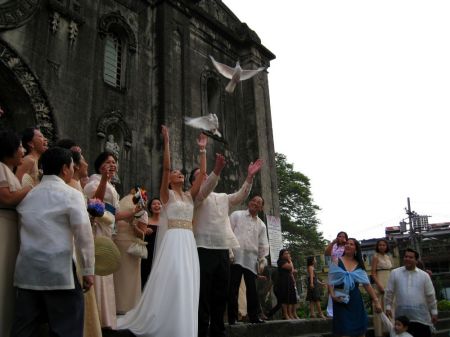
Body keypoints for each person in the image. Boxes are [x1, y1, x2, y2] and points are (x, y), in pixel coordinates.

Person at [117, 125, 208, 337]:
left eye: (181, 173)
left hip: (188, 241)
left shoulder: (188, 196)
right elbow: (166, 168)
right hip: (174, 239)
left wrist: (202, 150)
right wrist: (167, 142)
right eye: (176, 173)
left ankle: (183, 324)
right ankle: (166, 320)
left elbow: (203, 174)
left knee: (187, 279)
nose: (179, 174)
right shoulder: (166, 195)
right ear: (169, 180)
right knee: (174, 277)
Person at [11, 147, 95, 337]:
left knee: (24, 329)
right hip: (59, 271)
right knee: (66, 328)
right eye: (72, 167)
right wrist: (89, 270)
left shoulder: (28, 196)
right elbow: (83, 234)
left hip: (27, 270)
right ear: (65, 169)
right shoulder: (72, 195)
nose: (73, 170)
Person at [190, 153, 263, 337]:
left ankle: (218, 329)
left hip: (222, 249)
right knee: (203, 293)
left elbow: (240, 196)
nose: (205, 176)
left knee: (220, 293)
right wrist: (216, 170)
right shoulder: (196, 196)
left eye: (205, 173)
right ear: (194, 181)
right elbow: (206, 188)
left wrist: (249, 178)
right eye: (201, 174)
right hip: (203, 248)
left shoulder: (222, 197)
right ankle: (202, 330)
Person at [84, 151, 143, 329]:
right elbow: (95, 204)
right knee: (97, 270)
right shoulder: (92, 183)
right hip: (96, 230)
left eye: (115, 162)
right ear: (100, 165)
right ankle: (93, 318)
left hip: (108, 231)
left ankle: (105, 318)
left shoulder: (112, 187)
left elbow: (115, 214)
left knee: (106, 272)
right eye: (109, 162)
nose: (113, 165)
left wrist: (134, 212)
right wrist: (103, 179)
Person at [61, 142, 103, 337]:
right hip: (75, 244)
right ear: (75, 165)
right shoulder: (71, 187)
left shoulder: (76, 184)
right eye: (83, 159)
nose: (86, 162)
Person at [0, 130, 32, 336]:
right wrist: (29, 189)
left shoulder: (9, 171)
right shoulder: (1, 168)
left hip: (12, 229)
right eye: (20, 146)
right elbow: (7, 199)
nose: (22, 151)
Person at [228, 195, 270, 325]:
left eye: (259, 203)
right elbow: (228, 231)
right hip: (235, 257)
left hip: (251, 260)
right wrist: (229, 250)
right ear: (249, 202)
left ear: (261, 208)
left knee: (252, 289)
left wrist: (262, 259)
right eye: (254, 201)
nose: (255, 203)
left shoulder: (261, 225)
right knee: (233, 288)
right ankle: (232, 318)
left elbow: (263, 244)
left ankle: (254, 316)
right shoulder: (236, 215)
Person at [328, 238, 382, 337]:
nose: (348, 245)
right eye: (347, 244)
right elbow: (330, 281)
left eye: (351, 244)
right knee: (344, 330)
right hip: (341, 299)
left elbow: (367, 285)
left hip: (355, 300)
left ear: (356, 249)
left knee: (360, 331)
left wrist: (376, 301)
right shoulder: (336, 261)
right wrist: (333, 295)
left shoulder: (359, 265)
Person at [385, 248, 438, 337]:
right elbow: (389, 291)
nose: (407, 259)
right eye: (406, 256)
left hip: (421, 318)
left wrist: (434, 312)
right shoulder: (395, 273)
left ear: (416, 260)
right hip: (402, 319)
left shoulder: (424, 276)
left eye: (411, 257)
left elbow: (430, 295)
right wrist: (388, 306)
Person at [113, 188, 148, 314]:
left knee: (120, 278)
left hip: (119, 243)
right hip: (126, 245)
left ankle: (117, 305)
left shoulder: (120, 205)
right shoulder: (140, 211)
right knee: (126, 279)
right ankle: (128, 306)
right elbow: (142, 234)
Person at [371, 239, 393, 337]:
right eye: (380, 245)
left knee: (390, 307)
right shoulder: (375, 257)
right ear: (377, 246)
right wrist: (379, 285)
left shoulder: (388, 257)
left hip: (389, 281)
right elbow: (373, 273)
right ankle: (381, 333)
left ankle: (391, 331)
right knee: (380, 307)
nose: (382, 246)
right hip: (380, 282)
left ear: (386, 246)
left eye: (384, 245)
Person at [324, 231, 348, 317]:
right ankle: (330, 312)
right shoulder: (334, 246)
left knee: (341, 288)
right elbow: (326, 253)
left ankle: (343, 308)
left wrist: (345, 243)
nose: (341, 238)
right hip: (333, 268)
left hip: (343, 269)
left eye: (343, 236)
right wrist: (333, 242)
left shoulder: (346, 246)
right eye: (339, 236)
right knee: (331, 288)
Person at [140, 197, 161, 289]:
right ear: (150, 208)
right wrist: (144, 231)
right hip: (147, 252)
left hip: (161, 251)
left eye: (159, 203)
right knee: (145, 273)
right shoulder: (146, 220)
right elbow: (136, 231)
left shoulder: (166, 222)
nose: (156, 205)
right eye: (154, 204)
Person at [275, 249, 298, 320]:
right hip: (283, 281)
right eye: (285, 253)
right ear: (281, 255)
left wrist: (293, 279)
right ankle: (286, 314)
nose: (287, 254)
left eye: (288, 253)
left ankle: (291, 313)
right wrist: (290, 261)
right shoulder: (280, 261)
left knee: (291, 297)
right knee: (284, 298)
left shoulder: (287, 262)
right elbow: (291, 268)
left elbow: (292, 271)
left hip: (289, 281)